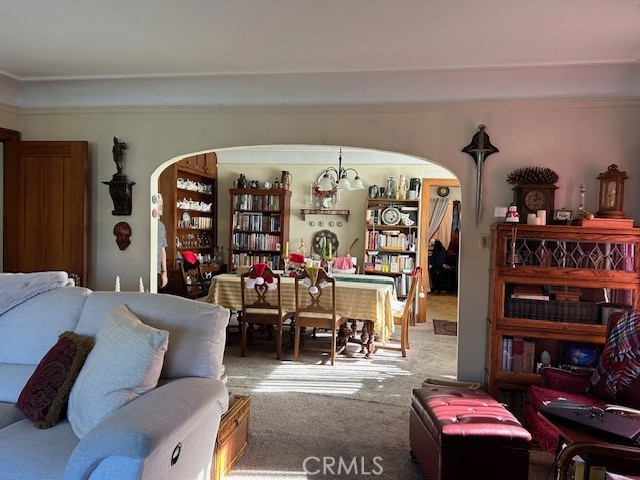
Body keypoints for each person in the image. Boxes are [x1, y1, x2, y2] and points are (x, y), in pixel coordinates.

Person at [157, 193, 168, 290]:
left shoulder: (161, 226)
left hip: (157, 271)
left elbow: (162, 250)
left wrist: (164, 272)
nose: (162, 207)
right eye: (160, 205)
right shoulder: (159, 226)